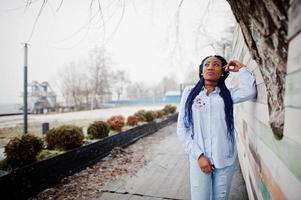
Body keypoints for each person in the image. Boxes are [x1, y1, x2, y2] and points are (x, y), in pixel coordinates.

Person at [177, 55, 257, 200]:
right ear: (201, 71)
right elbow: (182, 129)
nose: (210, 67)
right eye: (207, 64)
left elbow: (250, 91)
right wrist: (199, 156)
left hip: (224, 158)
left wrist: (242, 69)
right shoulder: (190, 93)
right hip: (198, 157)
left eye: (216, 64)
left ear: (222, 72)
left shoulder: (228, 95)